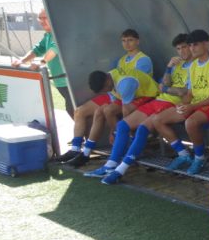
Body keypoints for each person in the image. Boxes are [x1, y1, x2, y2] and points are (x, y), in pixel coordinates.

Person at [80, 34, 193, 184]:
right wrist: (168, 68)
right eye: (178, 48)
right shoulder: (177, 64)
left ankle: (121, 170)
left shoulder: (195, 66)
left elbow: (183, 91)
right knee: (122, 125)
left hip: (171, 103)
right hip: (160, 99)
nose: (181, 52)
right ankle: (110, 165)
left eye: (184, 47)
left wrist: (166, 88)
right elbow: (165, 84)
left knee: (141, 129)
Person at [56, 28, 153, 163]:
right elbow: (114, 81)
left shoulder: (143, 60)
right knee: (80, 111)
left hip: (135, 95)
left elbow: (132, 85)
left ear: (137, 41)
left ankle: (120, 140)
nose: (127, 44)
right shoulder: (122, 60)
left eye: (130, 40)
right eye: (124, 41)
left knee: (104, 110)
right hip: (116, 91)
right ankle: (77, 149)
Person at [152, 29, 209, 175]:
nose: (191, 48)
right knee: (157, 120)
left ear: (206, 44)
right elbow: (189, 93)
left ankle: (200, 158)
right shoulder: (193, 65)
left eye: (195, 44)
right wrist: (184, 104)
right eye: (190, 45)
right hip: (197, 104)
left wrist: (191, 106)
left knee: (190, 122)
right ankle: (183, 155)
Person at [63, 67, 160, 167]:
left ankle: (129, 144)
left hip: (149, 95)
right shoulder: (109, 79)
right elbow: (113, 106)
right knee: (105, 111)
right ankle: (86, 152)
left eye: (104, 88)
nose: (105, 91)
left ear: (107, 80)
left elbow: (126, 111)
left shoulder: (124, 84)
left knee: (124, 122)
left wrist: (123, 132)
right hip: (132, 95)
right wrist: (113, 131)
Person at [11, 9, 73, 118]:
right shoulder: (48, 35)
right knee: (73, 111)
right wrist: (22, 60)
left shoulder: (58, 33)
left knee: (74, 110)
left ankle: (89, 135)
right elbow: (37, 49)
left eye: (45, 18)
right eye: (40, 18)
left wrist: (41, 63)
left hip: (69, 81)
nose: (42, 21)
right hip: (60, 82)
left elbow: (54, 49)